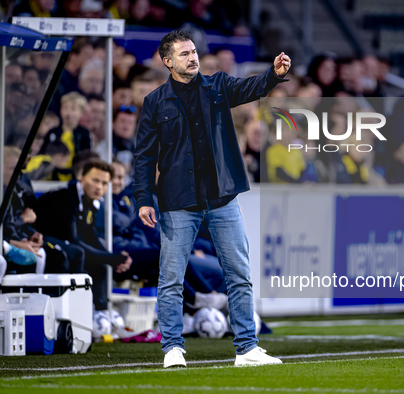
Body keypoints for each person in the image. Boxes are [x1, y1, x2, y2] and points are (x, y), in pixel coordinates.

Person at [133, 30, 289, 368]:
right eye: (185, 54)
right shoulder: (155, 102)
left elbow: (252, 88)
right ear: (167, 61)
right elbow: (143, 156)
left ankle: (247, 348)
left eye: (193, 51)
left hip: (222, 198)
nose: (193, 57)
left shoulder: (218, 85)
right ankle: (172, 348)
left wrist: (273, 75)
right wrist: (144, 198)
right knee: (171, 278)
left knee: (239, 273)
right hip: (177, 201)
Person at [35, 160, 132, 311]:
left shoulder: (92, 202)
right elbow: (74, 239)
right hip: (41, 240)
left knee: (100, 262)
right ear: (83, 179)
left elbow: (91, 237)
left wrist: (114, 258)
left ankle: (101, 312)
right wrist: (112, 258)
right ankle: (76, 311)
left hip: (66, 244)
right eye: (95, 180)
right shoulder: (66, 199)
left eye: (105, 183)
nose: (99, 187)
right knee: (77, 253)